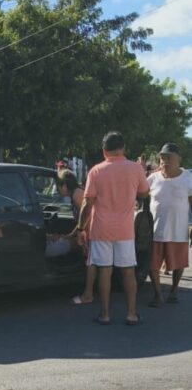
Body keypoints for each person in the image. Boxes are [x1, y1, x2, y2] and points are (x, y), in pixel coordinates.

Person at [76, 131, 149, 325]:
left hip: (101, 229)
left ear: (104, 150)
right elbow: (144, 193)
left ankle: (105, 314)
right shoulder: (135, 169)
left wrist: (80, 228)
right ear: (123, 148)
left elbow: (87, 203)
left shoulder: (96, 171)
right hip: (125, 230)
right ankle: (131, 314)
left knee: (104, 271)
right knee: (128, 271)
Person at [147, 143, 192, 307]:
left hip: (178, 230)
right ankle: (158, 295)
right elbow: (141, 196)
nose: (165, 161)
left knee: (179, 263)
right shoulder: (152, 178)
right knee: (152, 265)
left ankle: (174, 291)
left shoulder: (188, 178)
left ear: (179, 158)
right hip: (155, 231)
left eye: (169, 157)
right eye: (162, 158)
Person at [54, 169, 97, 305]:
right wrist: (72, 234)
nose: (58, 190)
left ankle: (88, 294)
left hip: (93, 232)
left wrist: (81, 234)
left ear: (65, 185)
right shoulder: (77, 193)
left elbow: (88, 215)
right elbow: (81, 220)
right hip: (91, 231)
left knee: (91, 262)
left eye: (59, 186)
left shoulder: (77, 195)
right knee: (91, 261)